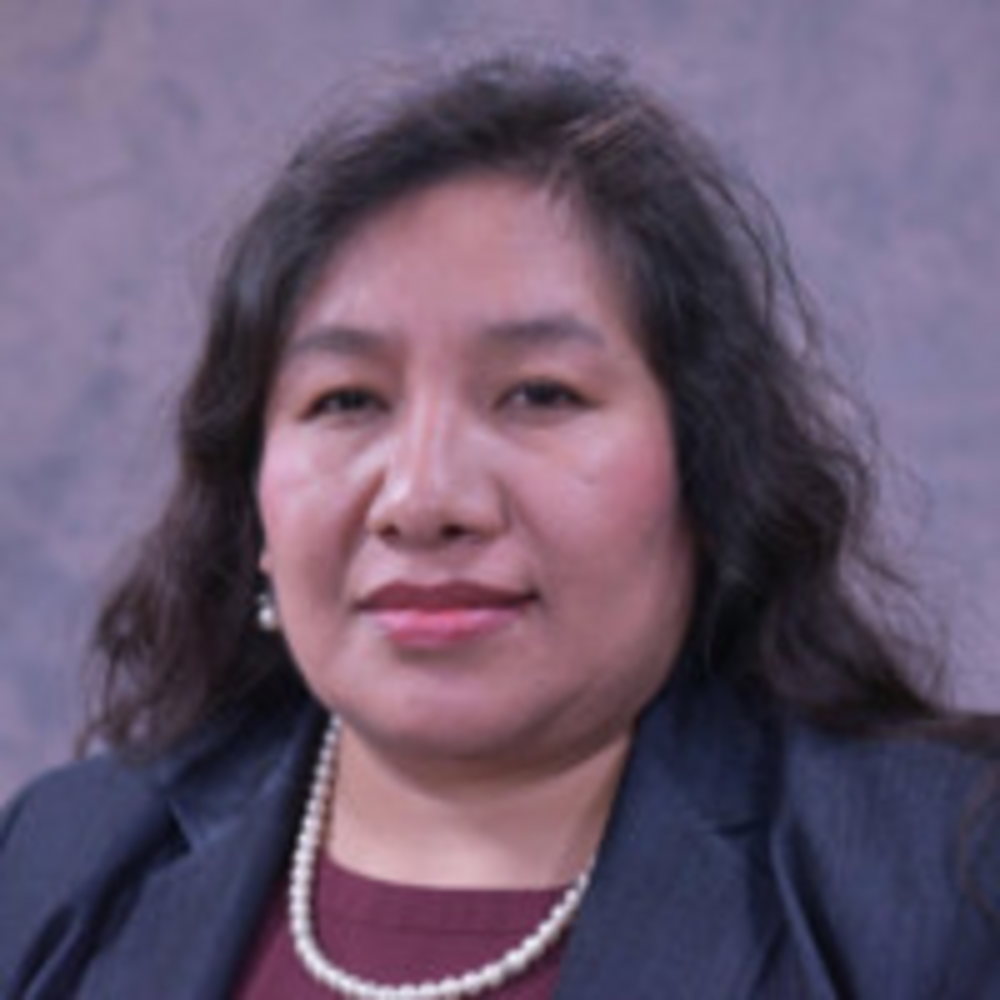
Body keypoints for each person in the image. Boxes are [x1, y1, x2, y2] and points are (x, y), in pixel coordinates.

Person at [1, 49, 998, 1000]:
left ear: (707, 467)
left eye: (538, 395)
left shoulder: (945, 884)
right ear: (253, 500)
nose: (424, 500)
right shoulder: (54, 864)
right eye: (345, 400)